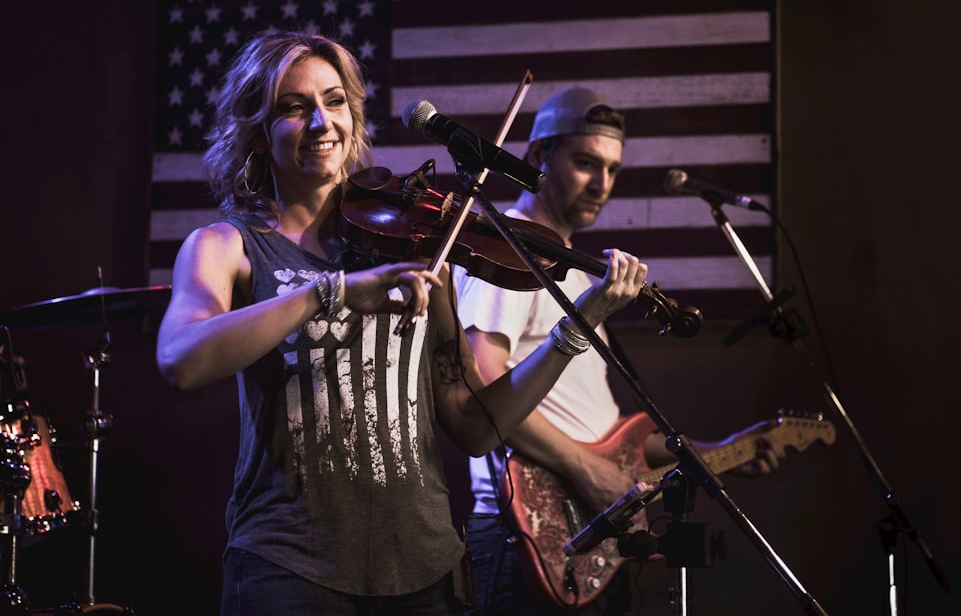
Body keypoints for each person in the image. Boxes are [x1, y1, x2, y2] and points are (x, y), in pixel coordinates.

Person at [154, 32, 650, 616]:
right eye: (294, 106)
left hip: (423, 570)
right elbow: (181, 358)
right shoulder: (225, 246)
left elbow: (474, 424)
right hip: (289, 566)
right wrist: (333, 292)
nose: (321, 122)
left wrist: (576, 328)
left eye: (335, 101)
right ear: (257, 131)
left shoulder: (417, 244)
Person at [453, 86, 787, 615]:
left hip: (581, 524)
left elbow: (614, 436)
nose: (601, 184)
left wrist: (719, 451)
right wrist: (588, 471)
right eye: (586, 163)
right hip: (522, 530)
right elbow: (484, 383)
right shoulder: (512, 249)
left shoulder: (569, 268)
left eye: (612, 169)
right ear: (539, 156)